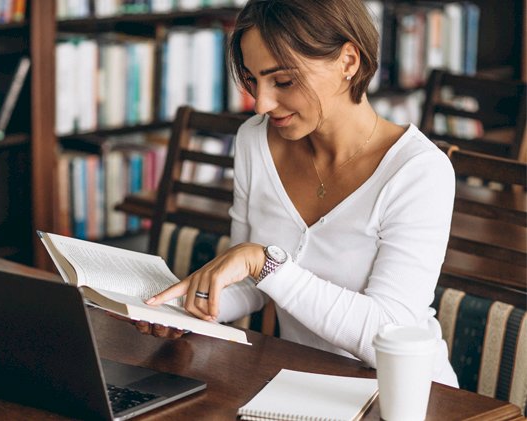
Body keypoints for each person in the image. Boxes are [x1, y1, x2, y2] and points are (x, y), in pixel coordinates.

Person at [139, 0, 459, 387]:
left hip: (406, 395)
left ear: (348, 62)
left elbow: (388, 336)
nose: (263, 103)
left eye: (284, 81)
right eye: (253, 80)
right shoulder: (254, 141)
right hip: (301, 386)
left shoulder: (419, 171)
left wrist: (267, 263)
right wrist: (183, 309)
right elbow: (251, 284)